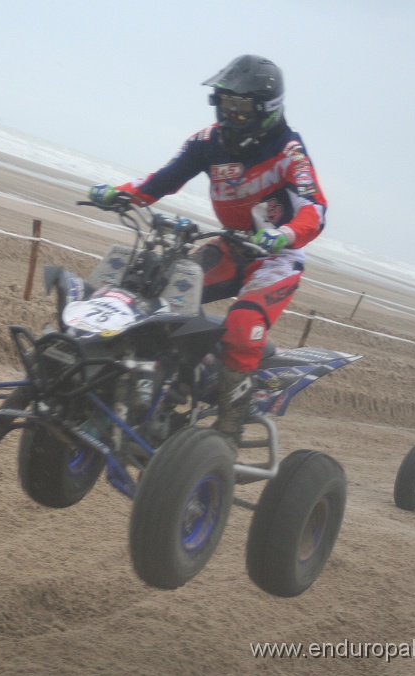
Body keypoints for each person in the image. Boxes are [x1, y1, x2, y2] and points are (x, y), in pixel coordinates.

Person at [87, 55, 327, 446]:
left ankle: (227, 434)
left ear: (266, 108)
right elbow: (161, 181)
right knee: (158, 293)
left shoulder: (289, 152)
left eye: (241, 105)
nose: (231, 112)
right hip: (232, 245)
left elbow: (315, 210)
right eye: (225, 102)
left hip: (275, 258)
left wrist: (284, 235)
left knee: (241, 328)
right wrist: (121, 193)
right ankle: (159, 385)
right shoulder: (207, 142)